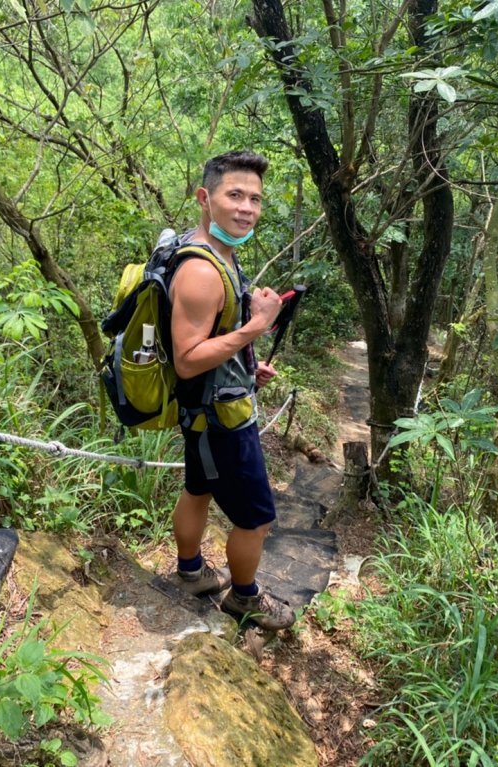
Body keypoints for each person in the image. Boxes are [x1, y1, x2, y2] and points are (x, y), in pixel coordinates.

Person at [168, 150, 295, 631]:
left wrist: (245, 364)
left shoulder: (216, 252)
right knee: (256, 518)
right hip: (220, 420)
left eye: (255, 199)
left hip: (206, 407)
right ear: (205, 198)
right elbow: (186, 358)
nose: (247, 208)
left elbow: (207, 342)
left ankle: (191, 573)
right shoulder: (202, 270)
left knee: (197, 488)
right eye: (235, 195)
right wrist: (255, 328)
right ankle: (245, 599)